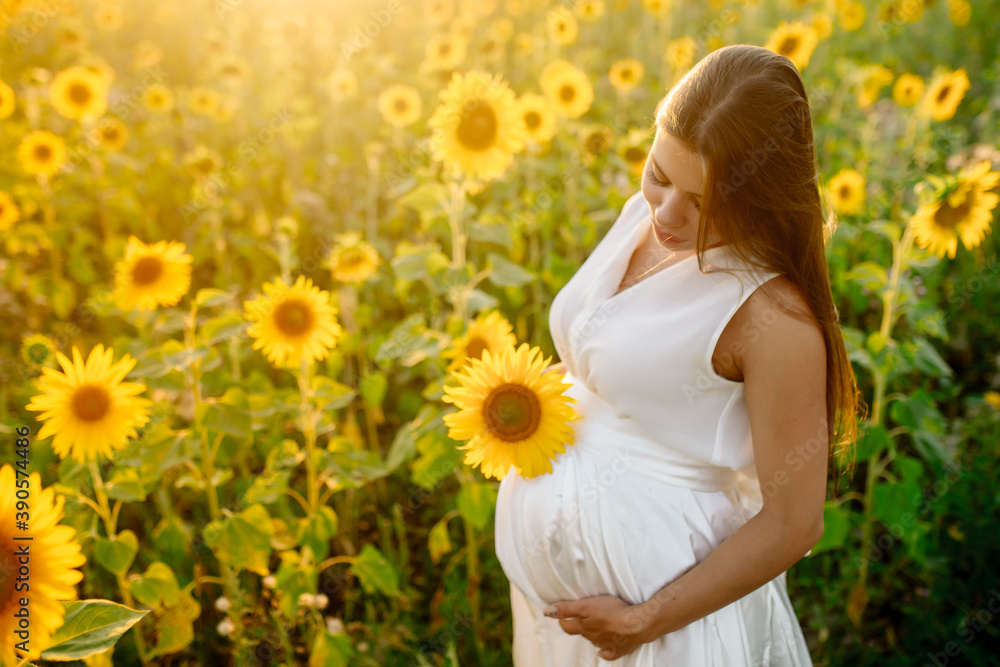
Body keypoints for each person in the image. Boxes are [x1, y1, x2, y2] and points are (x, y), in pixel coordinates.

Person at [494, 44, 862, 665]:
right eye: (659, 175)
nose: (665, 212)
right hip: (569, 616)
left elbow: (794, 524)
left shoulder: (774, 321)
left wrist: (643, 620)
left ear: (761, 197)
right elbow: (615, 367)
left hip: (664, 622)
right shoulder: (644, 216)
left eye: (704, 203)